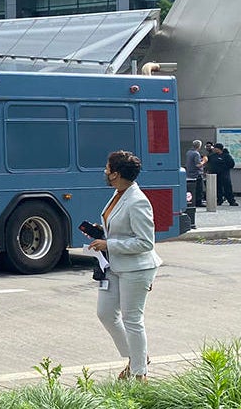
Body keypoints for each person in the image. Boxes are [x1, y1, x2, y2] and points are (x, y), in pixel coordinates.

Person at [84, 150, 162, 381]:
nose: (104, 171)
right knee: (106, 313)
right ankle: (139, 357)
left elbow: (145, 242)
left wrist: (109, 243)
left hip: (137, 268)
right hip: (115, 266)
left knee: (132, 319)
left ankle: (139, 374)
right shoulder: (119, 194)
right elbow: (122, 228)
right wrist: (103, 232)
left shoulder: (137, 201)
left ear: (116, 174)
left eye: (107, 168)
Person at [184, 140, 206, 207]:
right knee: (199, 189)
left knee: (192, 189)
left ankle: (193, 201)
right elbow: (198, 165)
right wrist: (204, 161)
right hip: (196, 174)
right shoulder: (196, 153)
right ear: (199, 146)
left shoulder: (188, 152)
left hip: (189, 173)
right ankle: (199, 202)